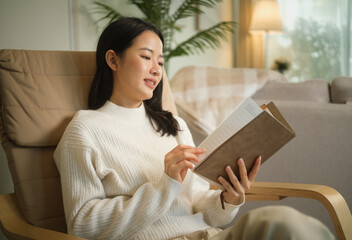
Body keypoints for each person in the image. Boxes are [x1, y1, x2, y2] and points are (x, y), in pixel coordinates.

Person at [54, 17, 334, 240]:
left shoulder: (173, 126)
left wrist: (228, 199)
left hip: (208, 234)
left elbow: (200, 202)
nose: (156, 69)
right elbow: (82, 226)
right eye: (146, 57)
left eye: (160, 62)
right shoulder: (85, 131)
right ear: (113, 60)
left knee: (285, 223)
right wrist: (166, 185)